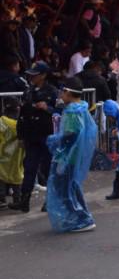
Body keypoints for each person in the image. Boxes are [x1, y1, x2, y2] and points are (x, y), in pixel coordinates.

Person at [45, 77, 98, 234]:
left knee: (65, 189)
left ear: (67, 92)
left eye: (62, 91)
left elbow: (71, 133)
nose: (60, 94)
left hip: (67, 157)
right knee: (71, 187)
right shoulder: (81, 108)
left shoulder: (72, 111)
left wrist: (57, 140)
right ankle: (79, 217)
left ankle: (82, 219)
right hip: (72, 157)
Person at [10, 61, 57, 213]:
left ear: (43, 75)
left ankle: (50, 200)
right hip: (31, 135)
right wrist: (21, 135)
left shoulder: (52, 92)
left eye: (35, 75)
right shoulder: (28, 91)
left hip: (47, 135)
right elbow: (22, 115)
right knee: (29, 168)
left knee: (48, 168)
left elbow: (60, 112)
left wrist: (48, 108)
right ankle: (24, 201)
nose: (31, 77)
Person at [0, 99, 24, 209]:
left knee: (1, 176)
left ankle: (1, 199)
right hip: (17, 155)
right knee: (17, 177)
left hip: (3, 155)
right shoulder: (20, 125)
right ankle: (17, 199)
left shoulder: (1, 122)